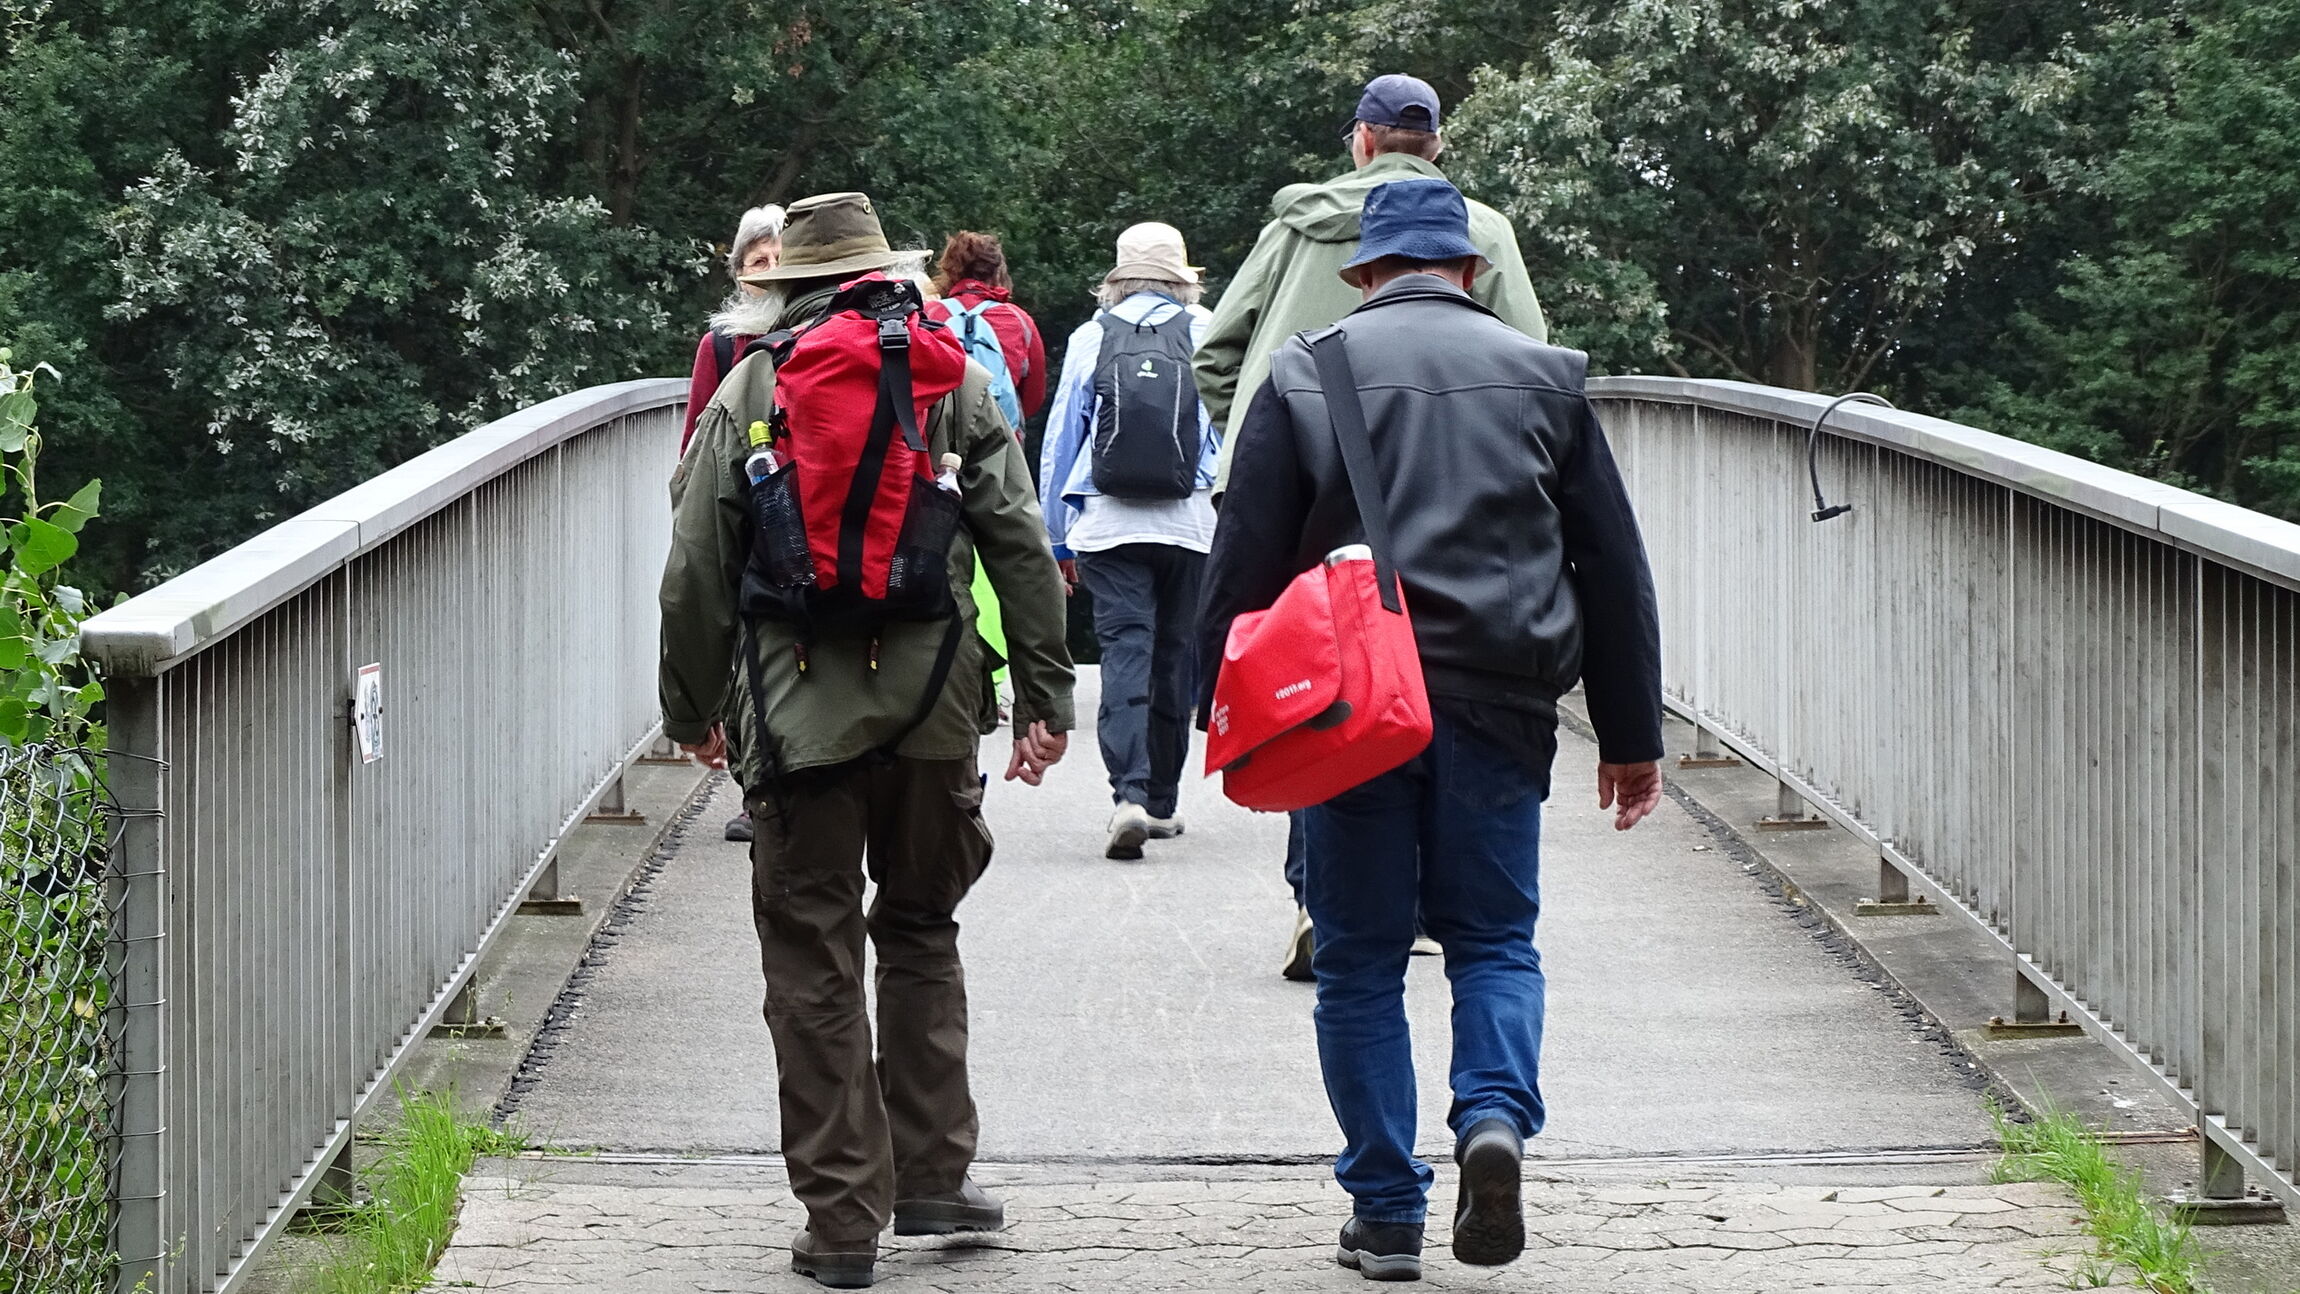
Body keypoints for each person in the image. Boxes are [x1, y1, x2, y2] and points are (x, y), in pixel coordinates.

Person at [1196, 177, 1664, 1282]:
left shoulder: (1308, 369)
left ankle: (1386, 1210)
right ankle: (1492, 1117)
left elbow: (1240, 568)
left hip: (1349, 709)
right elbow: (1611, 571)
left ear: (1361, 273)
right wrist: (1631, 735)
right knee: (1494, 939)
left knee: (1357, 959)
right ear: (1470, 268)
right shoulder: (1547, 378)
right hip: (1500, 699)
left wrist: (1209, 719)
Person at [659, 190, 1076, 1290]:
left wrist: (688, 708)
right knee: (924, 929)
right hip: (936, 711)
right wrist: (1043, 692)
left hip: (796, 722)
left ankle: (843, 1222)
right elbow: (1019, 543)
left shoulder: (752, 387)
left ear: (783, 288)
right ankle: (935, 1177)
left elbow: (695, 568)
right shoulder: (956, 378)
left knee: (812, 958)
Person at [1189, 72, 1552, 980]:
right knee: (1417, 665)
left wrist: (1266, 427)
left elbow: (1215, 350)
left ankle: (1324, 892)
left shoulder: (1296, 223)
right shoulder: (1482, 231)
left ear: (1360, 141)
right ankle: (1413, 892)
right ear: (1436, 147)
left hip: (1286, 485)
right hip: (1436, 487)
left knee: (1308, 673)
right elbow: (1532, 368)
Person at [1038, 223, 1220, 860]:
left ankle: (1129, 795)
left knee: (1125, 650)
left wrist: (1057, 537)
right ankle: (1164, 802)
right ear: (1182, 281)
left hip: (1109, 523)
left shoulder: (1093, 336)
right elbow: (1231, 430)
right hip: (1192, 523)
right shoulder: (1209, 331)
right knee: (1176, 655)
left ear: (1117, 280)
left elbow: (1065, 435)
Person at [925, 231, 1049, 429]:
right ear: (998, 271)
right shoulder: (1019, 320)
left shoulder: (928, 314)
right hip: (1000, 437)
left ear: (950, 270)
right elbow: (1034, 398)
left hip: (939, 436)